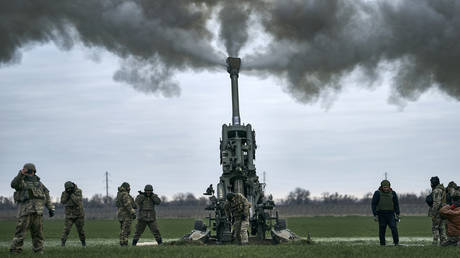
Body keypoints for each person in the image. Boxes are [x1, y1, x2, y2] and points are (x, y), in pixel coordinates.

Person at [9, 163, 55, 253]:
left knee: (38, 233)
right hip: (25, 212)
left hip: (38, 212)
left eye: (31, 171)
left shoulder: (39, 184)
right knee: (20, 232)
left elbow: (46, 195)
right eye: (28, 171)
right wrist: (20, 174)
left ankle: (39, 250)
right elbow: (13, 184)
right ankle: (15, 250)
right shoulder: (21, 182)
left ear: (34, 171)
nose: (30, 173)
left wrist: (50, 208)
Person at [371, 180, 400, 246]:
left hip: (391, 214)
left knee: (394, 228)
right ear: (381, 187)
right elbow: (373, 204)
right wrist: (375, 214)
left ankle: (396, 242)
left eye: (387, 187)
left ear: (389, 187)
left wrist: (397, 213)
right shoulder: (377, 193)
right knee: (382, 229)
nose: (386, 189)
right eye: (384, 187)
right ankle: (382, 243)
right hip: (381, 214)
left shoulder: (393, 193)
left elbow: (396, 204)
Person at [60, 181, 86, 247]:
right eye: (67, 189)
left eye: (70, 188)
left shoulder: (78, 191)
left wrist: (71, 194)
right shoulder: (64, 193)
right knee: (66, 230)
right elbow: (62, 201)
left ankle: (83, 243)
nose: (69, 190)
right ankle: (63, 243)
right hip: (69, 215)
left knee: (81, 231)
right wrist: (67, 194)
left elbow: (77, 201)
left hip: (79, 214)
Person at [116, 182, 137, 246]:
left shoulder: (119, 194)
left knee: (123, 229)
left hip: (120, 214)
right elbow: (127, 204)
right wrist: (132, 212)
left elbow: (117, 204)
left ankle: (122, 242)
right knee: (126, 230)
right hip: (126, 215)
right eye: (128, 187)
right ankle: (124, 244)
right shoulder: (125, 194)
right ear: (126, 187)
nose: (129, 189)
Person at [429, 176, 447, 245]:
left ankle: (435, 242)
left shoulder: (437, 190)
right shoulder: (442, 189)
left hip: (438, 211)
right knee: (441, 227)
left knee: (435, 227)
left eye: (431, 182)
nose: (430, 184)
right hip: (443, 210)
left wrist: (433, 212)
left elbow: (437, 203)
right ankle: (443, 242)